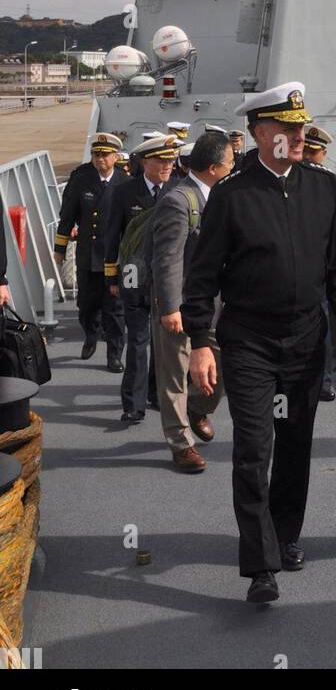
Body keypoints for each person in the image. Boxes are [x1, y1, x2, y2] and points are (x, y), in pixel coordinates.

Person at [182, 81, 336, 604]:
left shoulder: (324, 188)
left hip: (307, 339)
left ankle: (286, 535)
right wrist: (200, 342)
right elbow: (201, 278)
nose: (298, 135)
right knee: (254, 449)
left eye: (301, 127)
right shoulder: (232, 196)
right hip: (250, 341)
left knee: (296, 444)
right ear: (261, 134)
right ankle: (261, 565)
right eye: (287, 128)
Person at [150, 132, 234, 472]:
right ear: (214, 168)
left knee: (222, 368)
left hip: (213, 305)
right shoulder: (178, 201)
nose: (233, 168)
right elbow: (167, 259)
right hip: (179, 305)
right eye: (230, 163)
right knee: (174, 376)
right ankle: (181, 443)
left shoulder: (222, 197)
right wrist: (170, 307)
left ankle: (198, 408)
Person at [104, 134, 178, 420]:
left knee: (164, 343)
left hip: (167, 279)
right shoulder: (124, 192)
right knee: (137, 340)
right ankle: (133, 405)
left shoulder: (178, 189)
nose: (168, 165)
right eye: (162, 160)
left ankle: (155, 393)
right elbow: (111, 236)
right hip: (134, 276)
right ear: (145, 161)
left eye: (171, 160)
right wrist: (112, 278)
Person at [53, 133, 126, 363]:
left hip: (114, 256)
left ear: (115, 157)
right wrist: (60, 248)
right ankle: (91, 336)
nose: (99, 158)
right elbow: (67, 216)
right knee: (86, 305)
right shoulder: (81, 181)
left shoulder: (125, 183)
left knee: (115, 309)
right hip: (88, 254)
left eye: (104, 154)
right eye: (96, 154)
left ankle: (114, 355)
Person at [302, 124, 336, 403]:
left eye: (313, 152)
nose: (308, 156)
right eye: (305, 149)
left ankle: (324, 382)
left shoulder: (332, 182)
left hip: (320, 264)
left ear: (324, 154)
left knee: (325, 328)